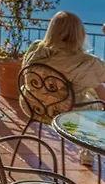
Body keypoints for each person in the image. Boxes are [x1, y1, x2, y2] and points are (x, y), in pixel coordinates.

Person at [23, 10, 105, 165]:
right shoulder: (86, 62)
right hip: (65, 114)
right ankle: (88, 149)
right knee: (97, 95)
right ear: (79, 34)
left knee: (90, 84)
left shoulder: (36, 49)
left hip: (34, 106)